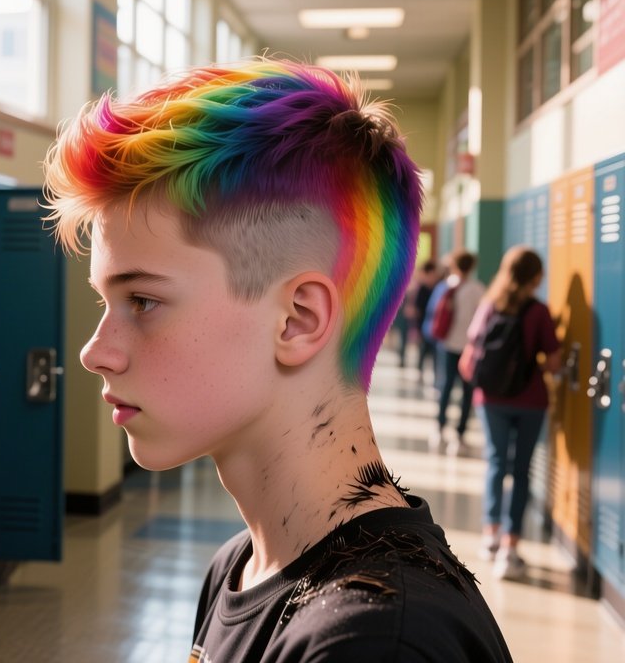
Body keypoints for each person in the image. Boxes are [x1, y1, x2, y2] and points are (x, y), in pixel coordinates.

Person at [43, 59, 512, 662]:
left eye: (143, 301)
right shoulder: (239, 567)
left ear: (298, 320)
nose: (94, 352)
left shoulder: (375, 640)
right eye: (106, 300)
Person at [459, 246, 560, 580]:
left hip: (491, 399)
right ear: (536, 276)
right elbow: (555, 362)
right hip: (531, 401)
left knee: (496, 463)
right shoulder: (539, 311)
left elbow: (469, 353)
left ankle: (489, 536)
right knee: (521, 470)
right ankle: (510, 547)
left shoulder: (489, 305)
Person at [429, 250, 485, 455]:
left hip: (446, 345)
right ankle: (459, 436)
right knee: (467, 391)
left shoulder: (444, 287)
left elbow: (432, 314)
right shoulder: (477, 289)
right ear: (471, 267)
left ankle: (439, 428)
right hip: (469, 349)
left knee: (445, 387)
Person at [412, 260, 440, 383]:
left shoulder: (438, 287)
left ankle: (435, 376)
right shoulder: (423, 288)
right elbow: (417, 308)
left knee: (434, 352)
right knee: (423, 350)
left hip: (435, 325)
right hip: (424, 324)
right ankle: (420, 372)